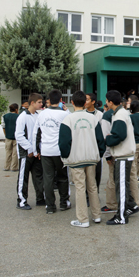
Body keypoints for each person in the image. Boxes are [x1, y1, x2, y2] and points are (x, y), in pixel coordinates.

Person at [59, 90, 106, 227]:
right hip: (91, 158)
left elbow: (64, 142)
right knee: (92, 186)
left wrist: (65, 156)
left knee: (80, 188)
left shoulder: (68, 119)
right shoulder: (93, 118)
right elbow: (100, 139)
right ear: (85, 103)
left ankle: (83, 219)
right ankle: (97, 215)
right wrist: (99, 154)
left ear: (72, 102)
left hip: (76, 158)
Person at [34, 89, 71, 214]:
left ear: (48, 100)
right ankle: (64, 202)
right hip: (59, 151)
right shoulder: (64, 115)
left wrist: (36, 150)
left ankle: (50, 206)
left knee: (48, 178)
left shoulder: (42, 114)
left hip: (45, 151)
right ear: (61, 100)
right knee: (62, 177)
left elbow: (36, 133)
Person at [104, 90, 138, 225]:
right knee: (123, 184)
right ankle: (131, 206)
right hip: (124, 154)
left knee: (121, 186)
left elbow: (120, 135)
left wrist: (108, 139)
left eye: (107, 100)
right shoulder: (121, 113)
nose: (106, 103)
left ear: (110, 102)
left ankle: (121, 216)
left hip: (123, 154)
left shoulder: (119, 115)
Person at [15, 93, 45, 210]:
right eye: (39, 102)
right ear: (32, 103)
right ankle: (21, 201)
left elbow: (39, 135)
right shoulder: (22, 116)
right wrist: (29, 148)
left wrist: (37, 150)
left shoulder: (38, 116)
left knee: (38, 176)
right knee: (23, 177)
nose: (41, 104)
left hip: (36, 153)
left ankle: (40, 198)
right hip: (25, 153)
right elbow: (19, 135)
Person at [2, 103, 20, 172]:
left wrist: (6, 135)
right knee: (15, 153)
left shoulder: (5, 116)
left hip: (8, 137)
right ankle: (14, 167)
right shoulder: (18, 116)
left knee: (8, 152)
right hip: (16, 137)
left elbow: (3, 126)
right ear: (16, 109)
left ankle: (6, 166)